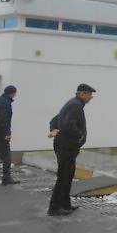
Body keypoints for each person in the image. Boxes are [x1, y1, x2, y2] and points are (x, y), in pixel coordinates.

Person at [47, 83, 95, 216]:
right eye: (90, 95)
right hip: (66, 146)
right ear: (83, 94)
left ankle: (65, 204)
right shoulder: (76, 105)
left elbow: (55, 119)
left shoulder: (73, 103)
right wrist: (80, 135)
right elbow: (68, 124)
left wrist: (54, 129)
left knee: (67, 176)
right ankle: (55, 208)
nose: (91, 98)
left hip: (64, 145)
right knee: (64, 177)